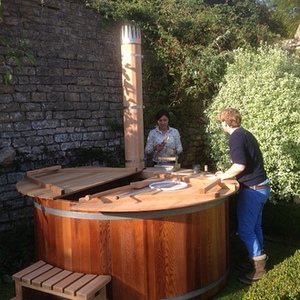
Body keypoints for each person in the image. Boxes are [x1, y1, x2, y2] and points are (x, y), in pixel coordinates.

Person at [216, 108, 270, 285]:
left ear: (225, 122)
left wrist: (221, 177)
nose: (221, 125)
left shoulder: (235, 137)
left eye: (221, 122)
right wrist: (225, 172)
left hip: (253, 190)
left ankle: (258, 266)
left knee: (246, 230)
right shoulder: (245, 133)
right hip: (262, 187)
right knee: (255, 226)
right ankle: (256, 256)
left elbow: (239, 165)